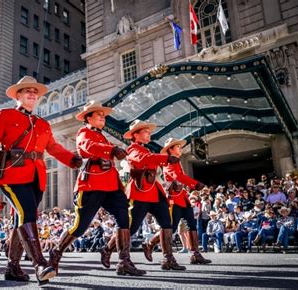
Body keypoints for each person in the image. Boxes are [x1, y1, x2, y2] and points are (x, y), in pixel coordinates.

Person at [0, 76, 82, 285]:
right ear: (18, 95)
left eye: (35, 92)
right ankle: (39, 264)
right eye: (27, 91)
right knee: (27, 213)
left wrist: (71, 158)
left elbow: (53, 148)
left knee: (19, 220)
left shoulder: (42, 123)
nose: (32, 94)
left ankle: (13, 266)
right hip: (12, 174)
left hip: (36, 177)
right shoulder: (4, 115)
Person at [49, 101, 146, 276]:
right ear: (88, 118)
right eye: (98, 114)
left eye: (104, 115)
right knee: (80, 226)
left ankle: (124, 261)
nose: (103, 116)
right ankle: (56, 253)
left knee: (124, 219)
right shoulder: (83, 133)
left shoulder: (103, 136)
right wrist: (112, 149)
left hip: (111, 186)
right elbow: (88, 148)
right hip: (91, 185)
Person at [98, 120, 184, 270]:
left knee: (166, 223)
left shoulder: (146, 149)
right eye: (145, 131)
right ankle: (108, 249)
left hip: (154, 191)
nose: (149, 133)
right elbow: (143, 160)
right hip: (140, 191)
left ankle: (167, 258)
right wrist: (164, 158)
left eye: (149, 132)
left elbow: (150, 160)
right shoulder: (132, 149)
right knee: (130, 227)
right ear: (135, 135)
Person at [162, 138, 211, 264]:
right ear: (170, 149)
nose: (180, 148)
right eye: (177, 146)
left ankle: (195, 254)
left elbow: (180, 179)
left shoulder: (177, 162)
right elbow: (177, 177)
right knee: (171, 228)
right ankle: (151, 244)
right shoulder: (168, 162)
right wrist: (195, 184)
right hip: (175, 200)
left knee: (192, 225)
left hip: (183, 198)